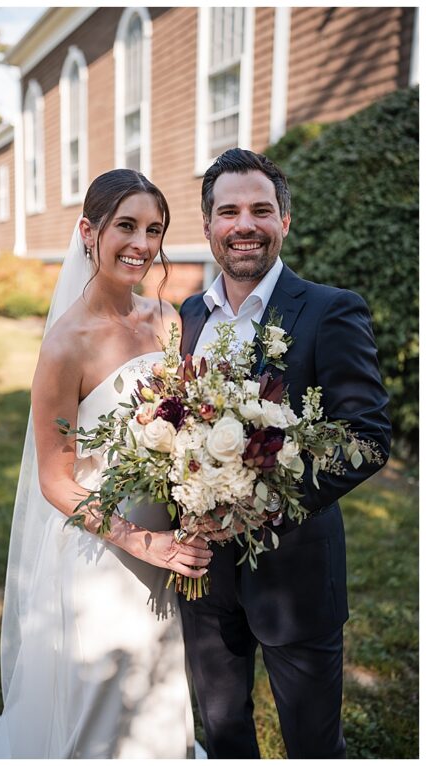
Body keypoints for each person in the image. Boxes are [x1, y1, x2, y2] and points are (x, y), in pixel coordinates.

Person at [0, 169, 212, 758]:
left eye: (155, 230)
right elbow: (54, 479)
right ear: (89, 232)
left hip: (167, 541)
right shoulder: (67, 345)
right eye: (127, 226)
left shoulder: (168, 322)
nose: (142, 243)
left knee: (158, 694)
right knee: (99, 708)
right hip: (104, 552)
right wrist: (142, 542)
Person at [177, 148, 391, 758]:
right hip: (206, 573)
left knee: (313, 742)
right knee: (223, 733)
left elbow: (369, 435)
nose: (244, 224)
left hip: (295, 574)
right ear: (210, 224)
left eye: (260, 210)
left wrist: (268, 502)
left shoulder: (331, 310)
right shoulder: (189, 315)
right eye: (229, 211)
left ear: (284, 222)